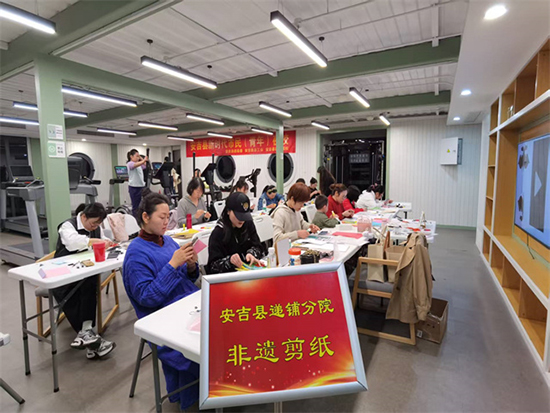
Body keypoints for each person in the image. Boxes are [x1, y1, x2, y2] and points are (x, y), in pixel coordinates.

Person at [123, 190, 200, 411]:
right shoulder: (136, 254)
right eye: (162, 217)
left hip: (187, 305)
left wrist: (191, 266)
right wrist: (173, 264)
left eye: (168, 217)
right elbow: (147, 298)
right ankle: (201, 395)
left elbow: (187, 278)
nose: (167, 222)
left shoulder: (167, 242)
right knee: (201, 349)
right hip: (162, 318)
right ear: (145, 217)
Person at [52, 202, 116, 360]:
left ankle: (87, 334)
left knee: (90, 284)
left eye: (98, 224)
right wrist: (94, 242)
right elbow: (73, 242)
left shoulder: (96, 228)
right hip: (62, 275)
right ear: (84, 216)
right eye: (93, 223)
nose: (95, 227)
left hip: (83, 271)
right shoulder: (67, 226)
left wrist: (107, 242)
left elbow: (103, 239)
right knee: (73, 294)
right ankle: (90, 338)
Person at [207, 192, 264, 274]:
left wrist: (251, 253)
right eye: (238, 215)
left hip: (249, 272)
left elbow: (258, 246)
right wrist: (229, 261)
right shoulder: (218, 233)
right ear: (228, 211)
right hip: (229, 277)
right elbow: (213, 267)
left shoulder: (248, 224)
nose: (242, 220)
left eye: (244, 216)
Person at [127, 149, 148, 217]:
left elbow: (144, 165)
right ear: (131, 156)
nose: (138, 158)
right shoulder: (130, 164)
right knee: (136, 206)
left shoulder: (139, 164)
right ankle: (136, 220)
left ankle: (141, 218)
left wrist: (141, 158)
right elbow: (135, 165)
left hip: (141, 186)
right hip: (134, 187)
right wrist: (143, 160)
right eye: (136, 156)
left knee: (143, 205)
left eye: (138, 156)